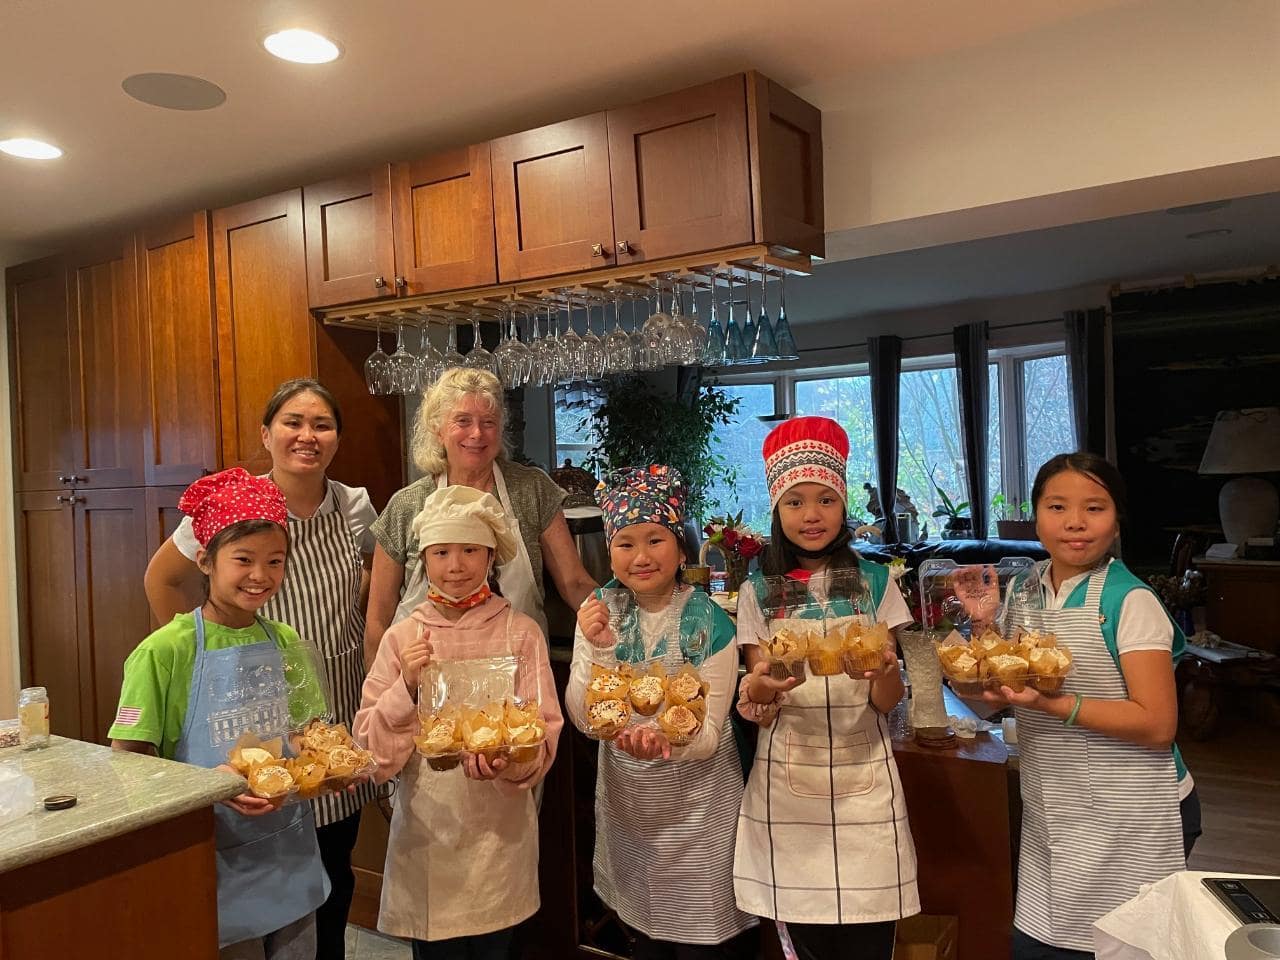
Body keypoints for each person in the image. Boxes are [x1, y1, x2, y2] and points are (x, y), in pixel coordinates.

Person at [143, 378, 376, 960]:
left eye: (322, 424)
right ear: (266, 434)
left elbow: (375, 581)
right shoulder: (234, 504)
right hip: (244, 719)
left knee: (327, 872)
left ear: (338, 438)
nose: (307, 435)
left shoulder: (354, 506)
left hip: (325, 713)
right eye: (292, 422)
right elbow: (162, 579)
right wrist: (202, 656)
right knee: (243, 889)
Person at [984, 452, 1199, 960]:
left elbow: (1157, 724)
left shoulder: (1130, 600)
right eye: (1057, 506)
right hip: (1057, 802)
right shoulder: (1024, 590)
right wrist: (979, 629)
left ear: (1117, 520)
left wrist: (1053, 703)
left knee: (1122, 945)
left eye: (1095, 508)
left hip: (1133, 809)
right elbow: (994, 697)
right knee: (1044, 939)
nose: (1075, 522)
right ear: (1036, 515)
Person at [111, 468, 329, 959]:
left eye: (275, 561)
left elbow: (308, 734)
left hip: (289, 854)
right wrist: (210, 785)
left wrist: (329, 768)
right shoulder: (163, 652)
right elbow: (126, 763)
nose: (260, 576)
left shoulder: (286, 642)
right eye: (243, 559)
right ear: (205, 560)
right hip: (211, 861)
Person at [733, 417, 918, 960]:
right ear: (777, 510)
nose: (810, 515)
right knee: (805, 946)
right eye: (794, 502)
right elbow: (762, 706)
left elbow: (887, 702)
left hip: (866, 780)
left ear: (843, 505)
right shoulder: (757, 592)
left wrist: (884, 669)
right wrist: (760, 688)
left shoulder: (876, 583)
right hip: (788, 784)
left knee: (868, 941)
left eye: (825, 500)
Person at [353, 485, 563, 959]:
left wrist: (511, 760)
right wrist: (407, 687)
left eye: (470, 550)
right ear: (422, 560)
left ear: (491, 557)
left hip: (500, 843)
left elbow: (545, 730)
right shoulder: (403, 638)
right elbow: (371, 753)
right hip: (428, 840)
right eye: (441, 552)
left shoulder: (521, 633)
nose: (456, 565)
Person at [566, 466, 757, 960]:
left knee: (702, 942)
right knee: (645, 937)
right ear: (610, 551)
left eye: (656, 539)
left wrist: (666, 744)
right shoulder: (599, 609)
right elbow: (583, 718)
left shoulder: (710, 622)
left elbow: (709, 735)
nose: (642, 557)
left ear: (681, 547)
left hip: (699, 812)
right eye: (625, 543)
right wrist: (599, 646)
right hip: (630, 808)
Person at [364, 368, 596, 660]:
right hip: (427, 677)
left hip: (519, 672)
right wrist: (382, 686)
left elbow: (574, 583)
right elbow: (378, 621)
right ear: (438, 429)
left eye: (488, 422)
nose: (476, 433)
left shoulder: (532, 490)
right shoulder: (406, 506)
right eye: (463, 421)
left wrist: (618, 615)